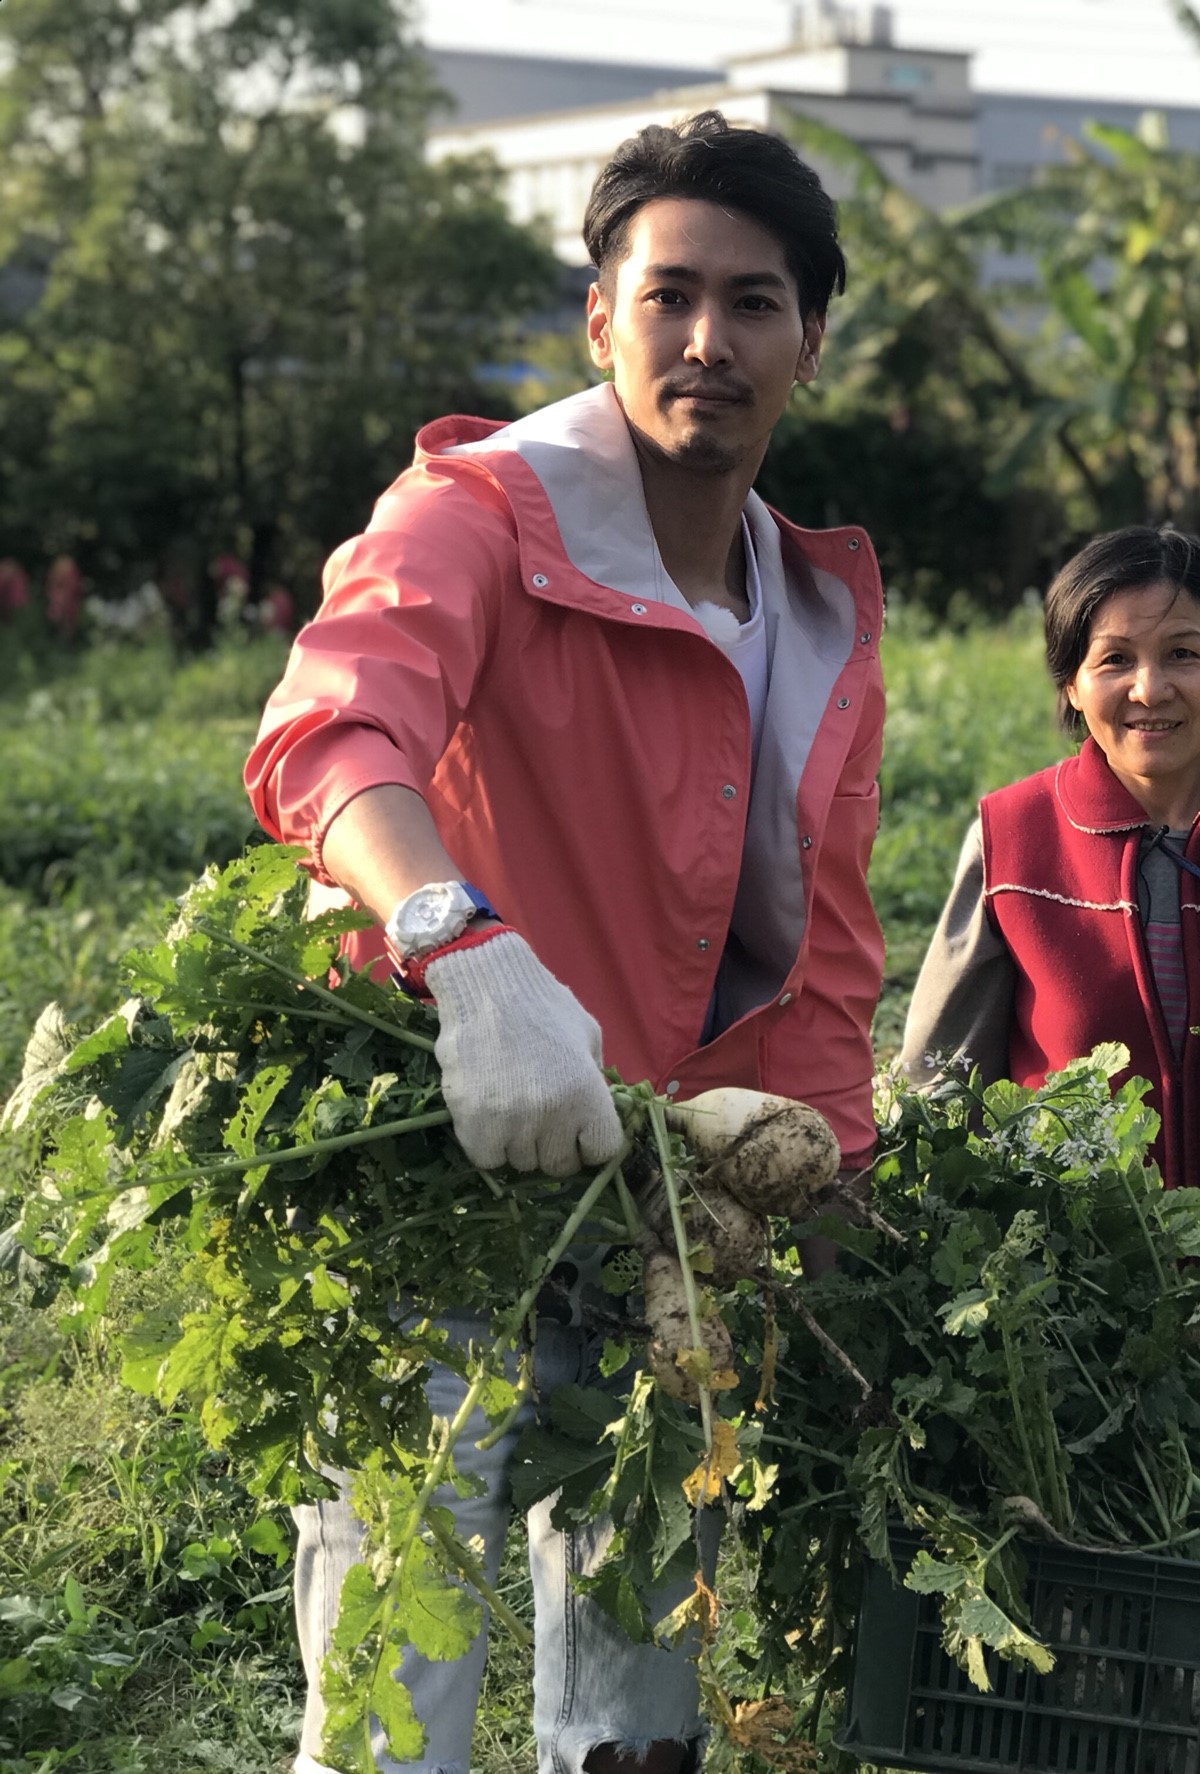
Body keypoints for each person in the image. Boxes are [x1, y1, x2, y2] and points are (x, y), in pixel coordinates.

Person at [245, 112, 886, 1774]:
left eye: (752, 303)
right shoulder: (474, 514)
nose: (705, 340)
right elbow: (327, 734)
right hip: (444, 1173)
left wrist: (838, 1205)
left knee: (637, 1697)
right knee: (402, 1677)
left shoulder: (814, 615)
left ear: (808, 338)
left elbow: (817, 957)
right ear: (597, 316)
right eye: (665, 294)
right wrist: (458, 939)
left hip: (661, 1207)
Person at [899, 525, 1200, 1199]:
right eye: (1115, 660)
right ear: (1070, 684)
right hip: (1078, 1276)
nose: (1150, 689)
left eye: (1184, 653)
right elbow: (941, 1079)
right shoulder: (1013, 836)